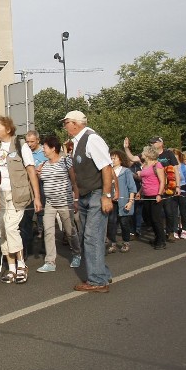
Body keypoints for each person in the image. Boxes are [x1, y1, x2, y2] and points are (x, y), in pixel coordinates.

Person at [62, 111, 114, 293]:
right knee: (90, 236)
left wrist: (106, 196)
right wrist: (77, 197)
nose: (65, 126)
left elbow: (106, 167)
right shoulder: (77, 142)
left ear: (76, 124)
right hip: (86, 195)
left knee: (92, 237)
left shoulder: (92, 139)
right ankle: (102, 274)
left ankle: (97, 280)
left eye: (66, 122)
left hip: (96, 194)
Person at [0, 116, 41, 284]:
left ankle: (22, 265)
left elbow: (31, 172)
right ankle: (11, 267)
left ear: (8, 129)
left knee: (11, 229)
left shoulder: (20, 146)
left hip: (18, 195)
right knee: (1, 230)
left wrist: (37, 197)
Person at [36, 136, 81, 272]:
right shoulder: (43, 165)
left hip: (65, 202)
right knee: (48, 232)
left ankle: (77, 253)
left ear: (53, 148)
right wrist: (38, 173)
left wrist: (76, 200)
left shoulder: (65, 161)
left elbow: (74, 182)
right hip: (50, 203)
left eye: (45, 147)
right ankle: (50, 262)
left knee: (70, 231)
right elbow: (41, 180)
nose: (43, 150)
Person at [138, 145, 167, 249]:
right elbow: (145, 181)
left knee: (156, 218)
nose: (141, 154)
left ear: (148, 154)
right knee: (147, 217)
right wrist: (139, 192)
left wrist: (159, 194)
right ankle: (157, 237)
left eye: (143, 152)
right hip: (146, 194)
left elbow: (162, 181)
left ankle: (161, 241)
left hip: (155, 194)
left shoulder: (157, 165)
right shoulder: (145, 165)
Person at [110, 150, 137, 252]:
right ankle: (112, 243)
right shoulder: (108, 171)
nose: (112, 160)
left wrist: (130, 202)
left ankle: (126, 242)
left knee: (124, 223)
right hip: (112, 201)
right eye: (111, 158)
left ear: (120, 160)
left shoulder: (126, 171)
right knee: (111, 223)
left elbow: (132, 187)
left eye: (114, 158)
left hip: (123, 201)